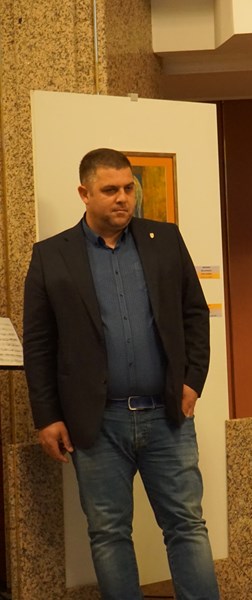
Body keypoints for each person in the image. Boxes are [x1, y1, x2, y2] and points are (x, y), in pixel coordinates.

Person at [23, 148, 219, 599]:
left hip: (167, 417)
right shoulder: (51, 256)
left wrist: (193, 381)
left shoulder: (164, 240)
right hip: (97, 423)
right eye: (110, 190)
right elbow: (39, 343)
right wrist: (47, 416)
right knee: (109, 533)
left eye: (129, 188)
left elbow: (194, 313)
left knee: (187, 525)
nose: (123, 198)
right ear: (84, 193)